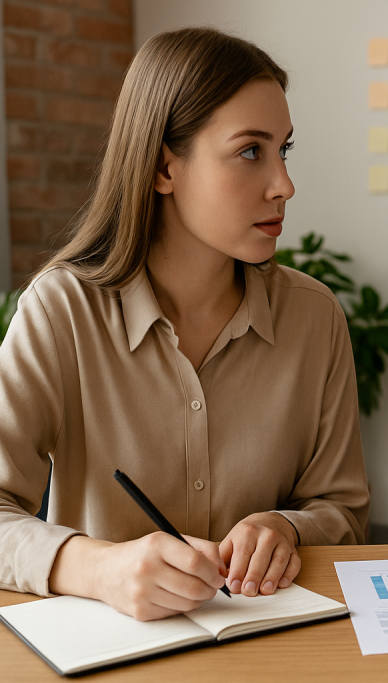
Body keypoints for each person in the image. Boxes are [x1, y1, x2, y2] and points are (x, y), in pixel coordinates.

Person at [0, 28, 369, 620]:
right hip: (110, 653)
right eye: (251, 151)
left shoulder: (314, 317)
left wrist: (287, 529)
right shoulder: (60, 311)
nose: (285, 185)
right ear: (164, 167)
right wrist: (99, 568)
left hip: (276, 650)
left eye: (284, 150)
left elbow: (343, 511)